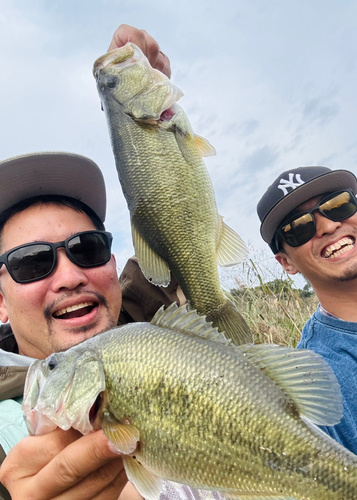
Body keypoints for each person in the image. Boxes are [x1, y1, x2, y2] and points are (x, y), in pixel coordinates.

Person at [0, 25, 184, 500]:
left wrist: (137, 96)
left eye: (86, 248)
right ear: (0, 301)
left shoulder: (147, 319)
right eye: (31, 261)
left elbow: (174, 226)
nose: (70, 275)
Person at [257, 165, 357, 465]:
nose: (327, 227)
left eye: (337, 205)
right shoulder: (318, 384)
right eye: (298, 228)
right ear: (286, 263)